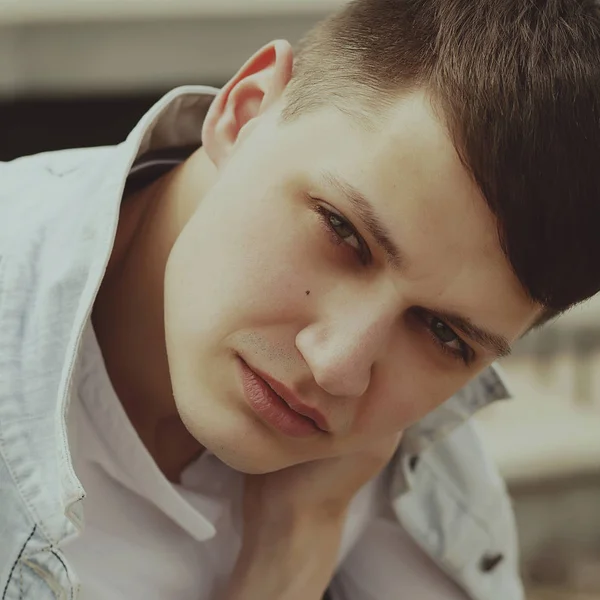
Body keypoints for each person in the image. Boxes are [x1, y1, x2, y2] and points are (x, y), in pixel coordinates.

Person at [2, 0, 600, 598]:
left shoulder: (429, 493)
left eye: (444, 334)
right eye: (343, 231)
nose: (337, 366)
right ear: (246, 112)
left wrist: (294, 542)